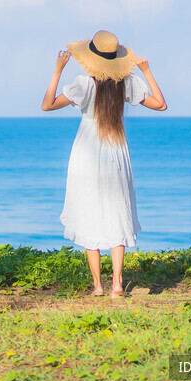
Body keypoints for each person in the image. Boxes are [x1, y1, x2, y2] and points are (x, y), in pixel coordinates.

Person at [40, 30, 166, 298]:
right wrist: (146, 70)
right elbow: (160, 105)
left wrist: (57, 70)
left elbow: (47, 105)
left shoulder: (83, 84)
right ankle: (118, 285)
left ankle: (98, 286)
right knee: (117, 211)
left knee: (88, 210)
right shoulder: (127, 83)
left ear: (92, 58)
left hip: (87, 153)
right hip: (116, 151)